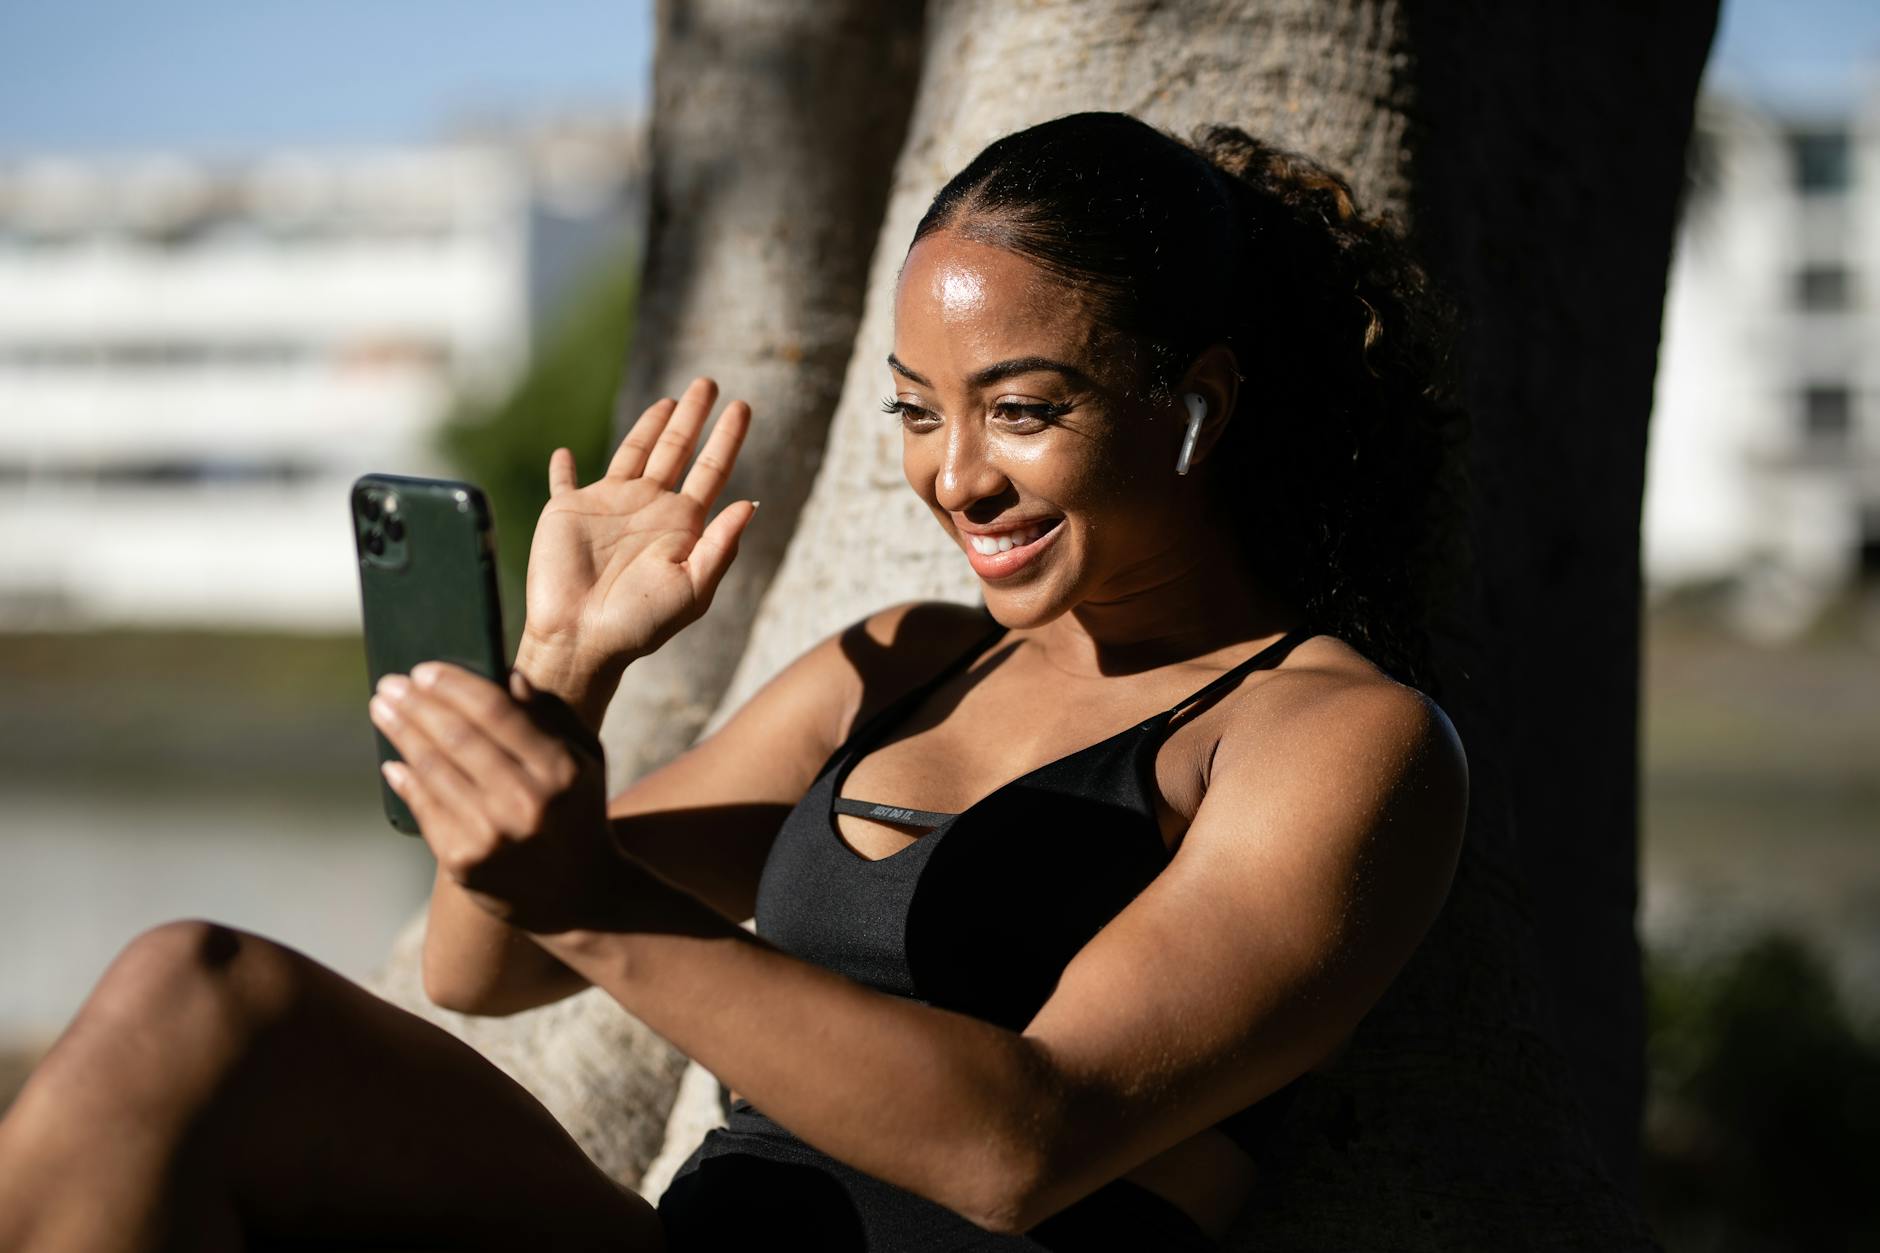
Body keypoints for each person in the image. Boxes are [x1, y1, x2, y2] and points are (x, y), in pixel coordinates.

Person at [0, 111, 1469, 1252]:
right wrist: (565, 675)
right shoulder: (903, 665)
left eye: (1023, 409)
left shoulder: (1335, 736)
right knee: (191, 993)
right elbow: (484, 963)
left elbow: (1026, 1143)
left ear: (1195, 404)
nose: (956, 475)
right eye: (916, 412)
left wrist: (592, 891)